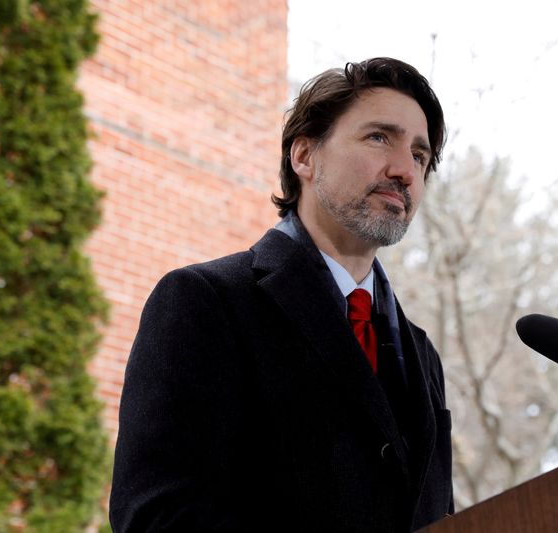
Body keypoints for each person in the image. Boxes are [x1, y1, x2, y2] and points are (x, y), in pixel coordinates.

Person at [109, 57, 452, 533]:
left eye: (419, 155)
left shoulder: (423, 356)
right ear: (304, 157)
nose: (405, 171)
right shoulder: (203, 301)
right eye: (379, 137)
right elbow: (156, 517)